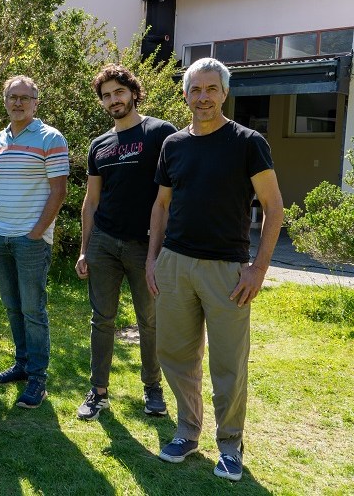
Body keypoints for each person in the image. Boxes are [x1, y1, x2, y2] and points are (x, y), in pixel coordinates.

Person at [145, 58, 284, 481]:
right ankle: (187, 432)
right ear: (185, 94)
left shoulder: (247, 142)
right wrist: (153, 259)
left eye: (211, 89)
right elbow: (161, 205)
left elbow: (274, 208)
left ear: (224, 93)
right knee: (175, 353)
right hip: (175, 264)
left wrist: (258, 269)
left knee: (228, 362)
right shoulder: (173, 145)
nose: (202, 97)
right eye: (195, 89)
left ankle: (230, 445)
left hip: (226, 270)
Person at [74, 64, 176, 421]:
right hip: (103, 241)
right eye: (106, 95)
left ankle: (153, 389)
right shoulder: (99, 145)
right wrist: (85, 247)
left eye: (119, 92)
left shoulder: (160, 133)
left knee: (149, 320)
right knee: (101, 319)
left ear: (133, 92)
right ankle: (98, 392)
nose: (113, 100)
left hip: (144, 246)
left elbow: (172, 194)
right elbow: (91, 200)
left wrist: (164, 247)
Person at [0, 75, 69, 409]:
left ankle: (37, 378)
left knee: (33, 309)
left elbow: (59, 190)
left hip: (30, 240)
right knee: (12, 305)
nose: (17, 102)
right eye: (11, 97)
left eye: (24, 97)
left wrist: (36, 232)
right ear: (4, 101)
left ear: (36, 102)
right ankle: (21, 365)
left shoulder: (50, 138)